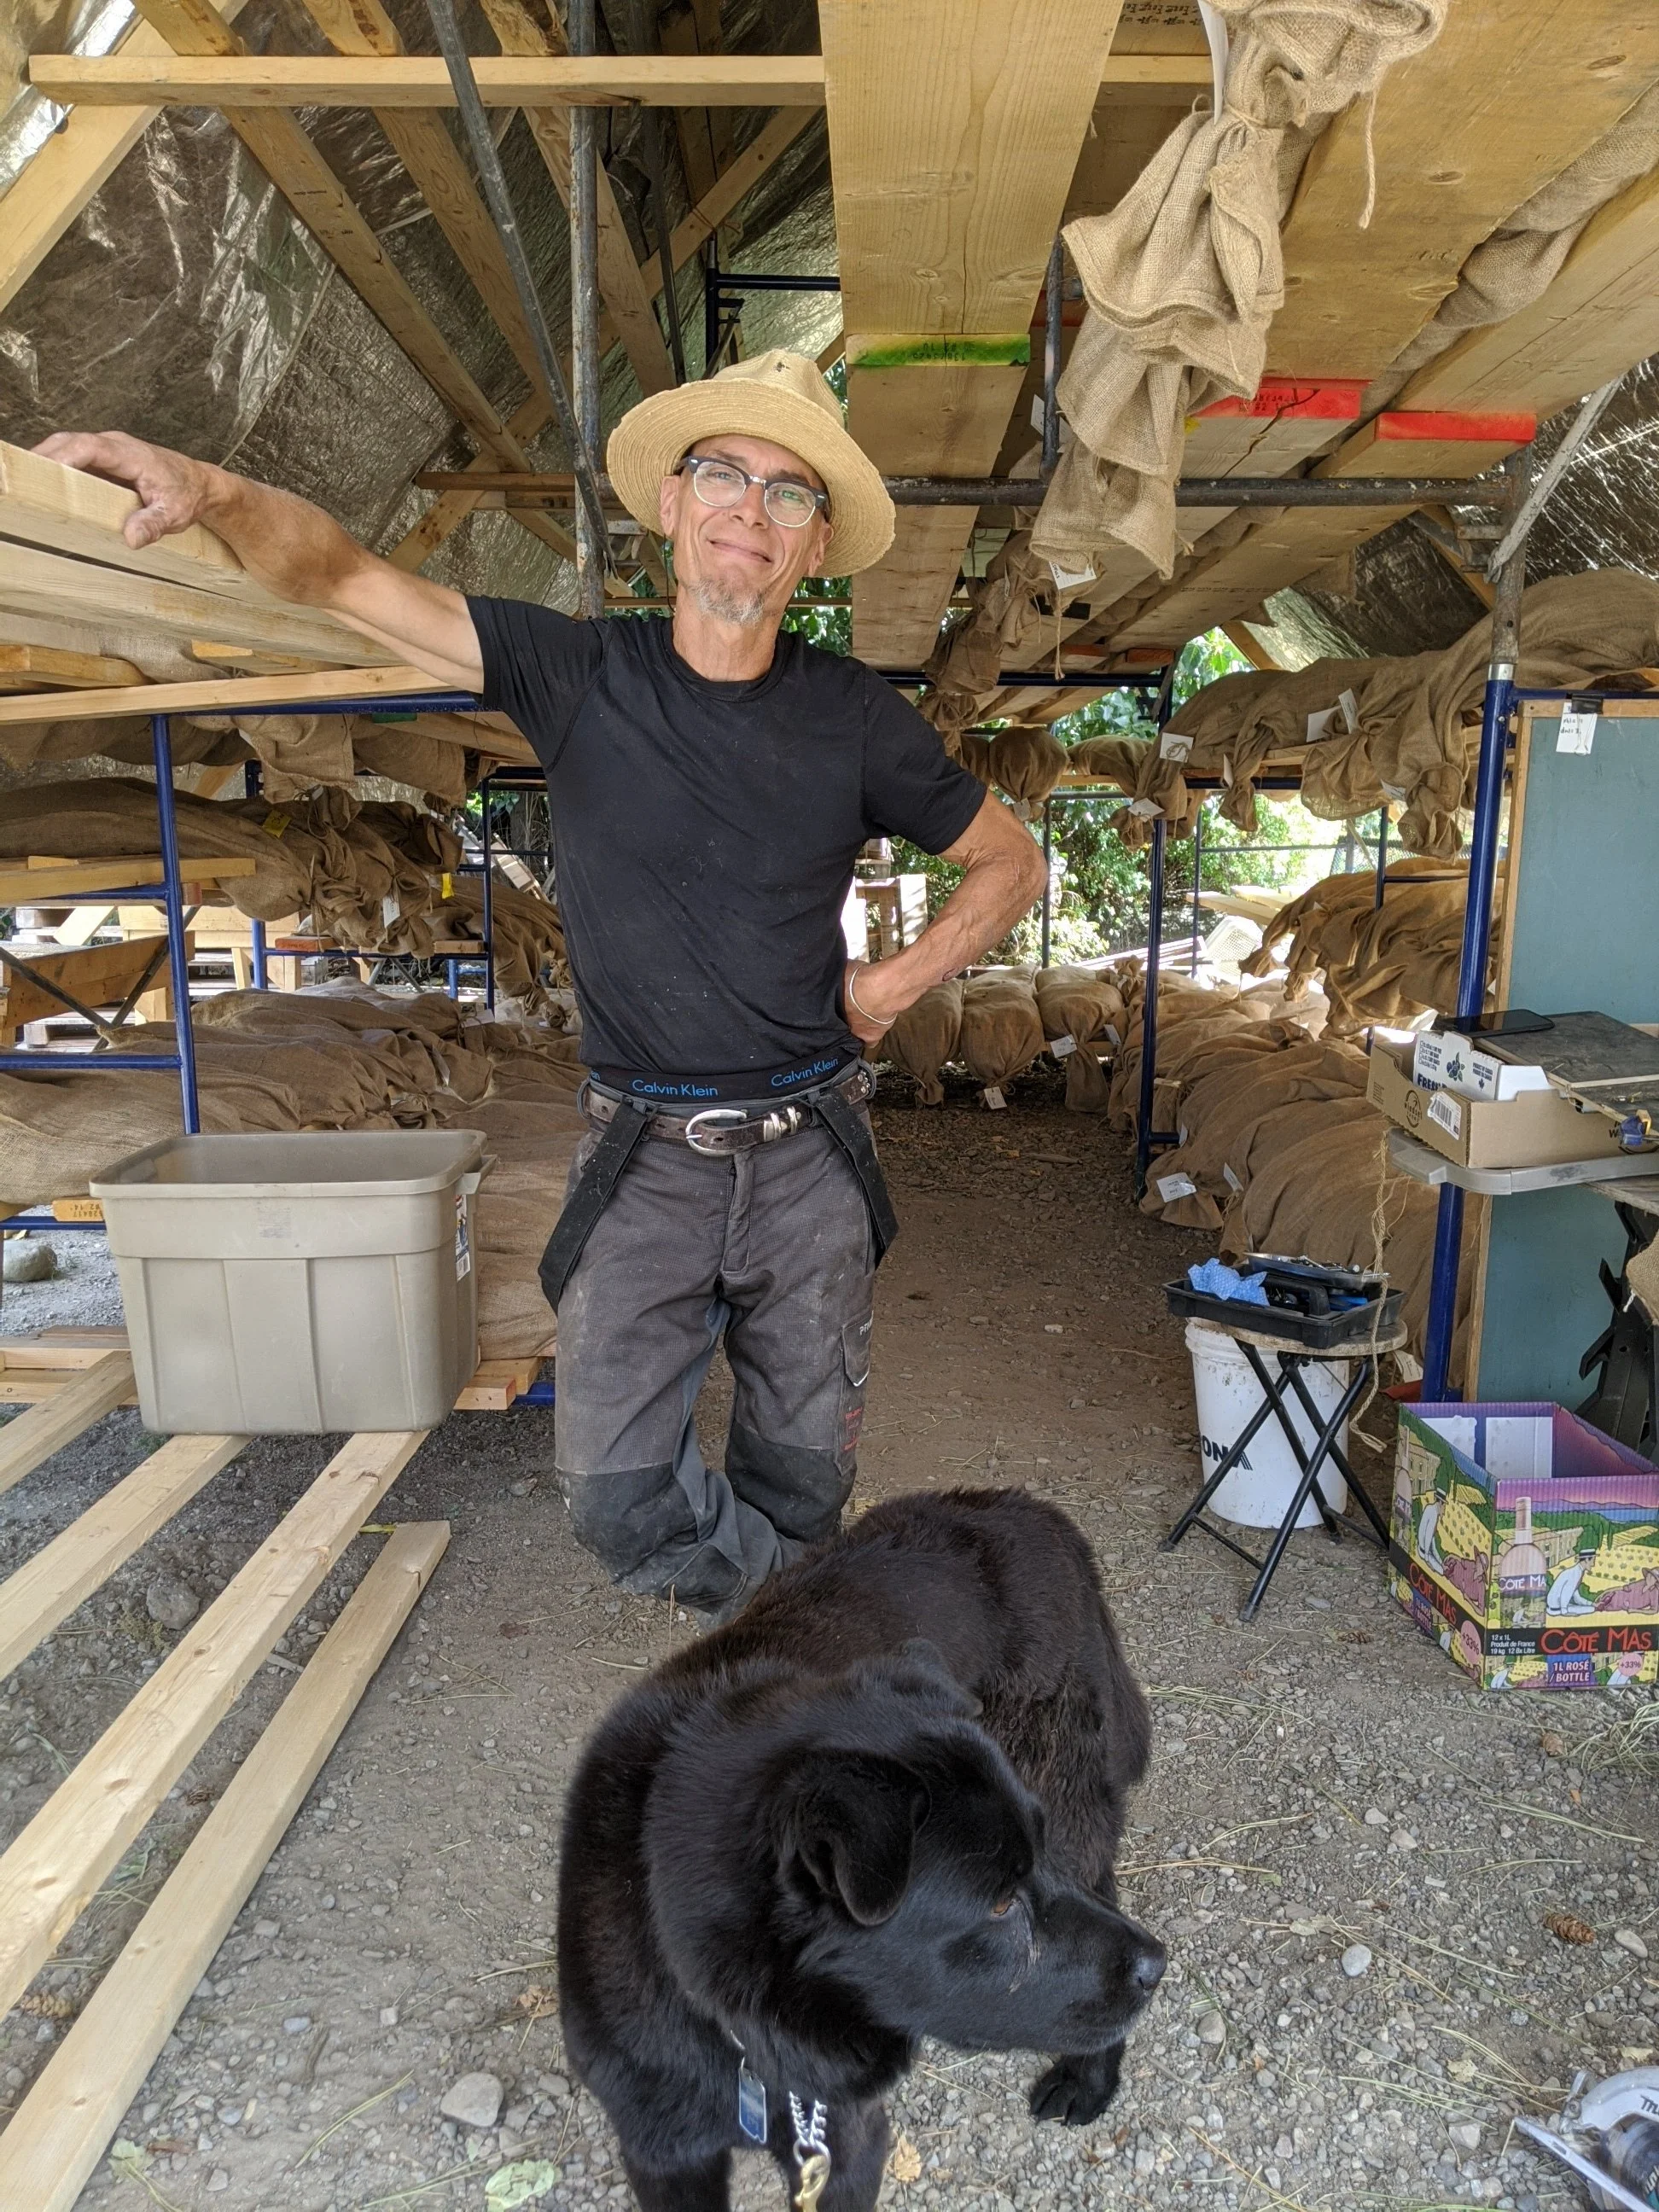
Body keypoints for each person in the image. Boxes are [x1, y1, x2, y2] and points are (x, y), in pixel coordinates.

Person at [40, 348, 1045, 1621]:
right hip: (643, 1155)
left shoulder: (853, 716)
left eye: (789, 493)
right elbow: (344, 573)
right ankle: (809, 1616)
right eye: (725, 474)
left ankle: (780, 1647)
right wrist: (211, 489)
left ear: (814, 543)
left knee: (803, 1476)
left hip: (810, 1159)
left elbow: (1010, 858)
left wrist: (894, 987)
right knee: (620, 1501)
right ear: (673, 507)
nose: (752, 508)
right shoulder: (576, 676)